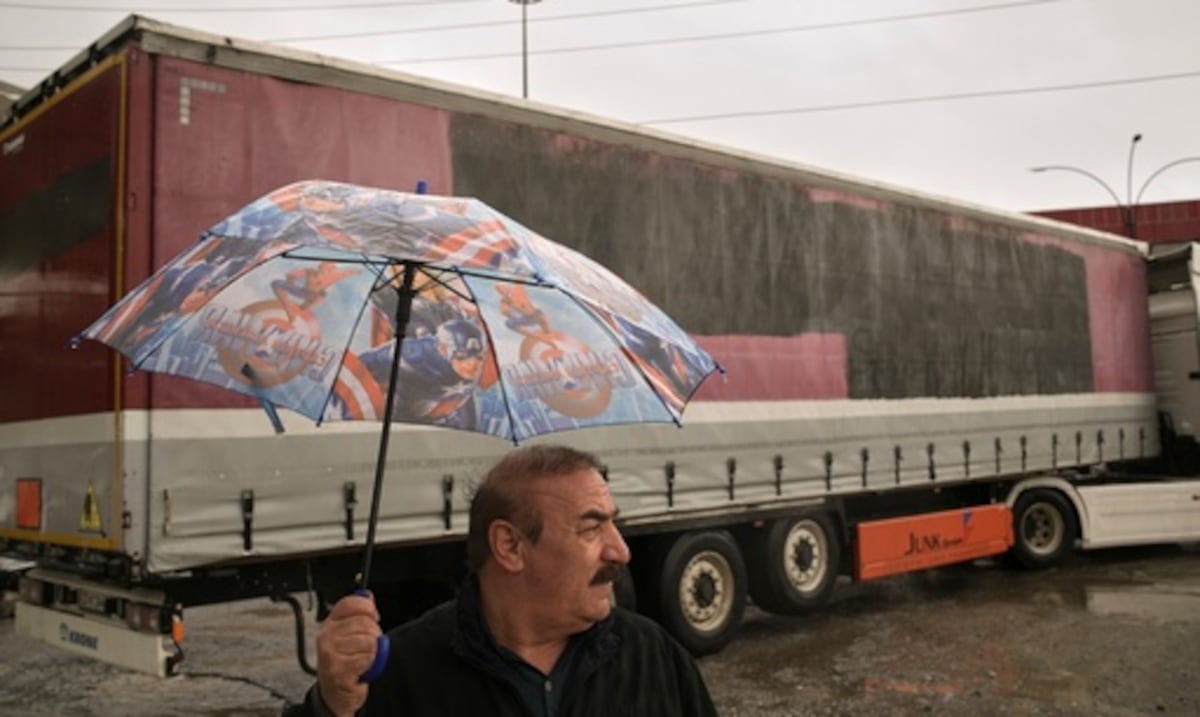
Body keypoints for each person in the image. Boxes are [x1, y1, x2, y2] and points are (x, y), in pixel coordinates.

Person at [288, 445, 717, 716]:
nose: (620, 550)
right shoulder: (404, 673)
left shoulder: (651, 654)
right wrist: (334, 708)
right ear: (510, 547)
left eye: (613, 524)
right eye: (591, 528)